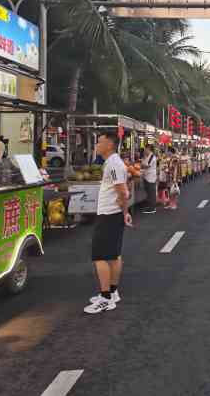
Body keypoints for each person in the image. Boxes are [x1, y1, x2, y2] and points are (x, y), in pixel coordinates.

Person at [84, 132, 133, 314]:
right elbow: (123, 191)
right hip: (113, 214)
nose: (97, 144)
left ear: (109, 145)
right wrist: (125, 213)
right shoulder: (113, 162)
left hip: (108, 215)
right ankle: (112, 293)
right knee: (113, 255)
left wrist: (125, 211)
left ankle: (105, 298)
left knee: (100, 257)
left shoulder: (113, 164)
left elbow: (123, 192)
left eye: (100, 141)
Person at [140, 145, 157, 214]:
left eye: (145, 149)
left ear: (149, 149)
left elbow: (147, 165)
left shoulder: (152, 156)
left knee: (151, 193)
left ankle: (152, 208)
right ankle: (150, 206)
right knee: (148, 192)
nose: (144, 150)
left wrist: (140, 165)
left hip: (150, 177)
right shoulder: (147, 156)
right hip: (146, 176)